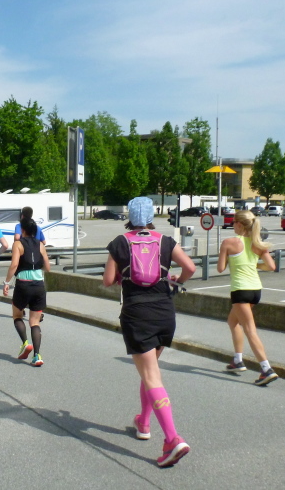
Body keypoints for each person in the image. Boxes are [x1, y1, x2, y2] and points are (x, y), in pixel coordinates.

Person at [102, 197, 195, 468]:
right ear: (152, 216)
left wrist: (121, 275)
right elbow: (190, 268)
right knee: (149, 371)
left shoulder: (120, 243)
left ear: (129, 217)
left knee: (151, 376)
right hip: (165, 312)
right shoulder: (165, 241)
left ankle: (173, 439)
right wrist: (177, 281)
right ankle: (143, 423)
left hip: (137, 314)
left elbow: (107, 281)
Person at [217, 210, 278, 386]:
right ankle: (237, 360)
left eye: (233, 222)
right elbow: (271, 266)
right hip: (255, 290)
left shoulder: (228, 242)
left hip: (240, 290)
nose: (232, 225)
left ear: (239, 224)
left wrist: (230, 258)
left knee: (250, 330)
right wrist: (254, 264)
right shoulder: (257, 243)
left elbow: (220, 268)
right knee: (232, 322)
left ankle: (266, 369)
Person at [3, 218, 50, 367]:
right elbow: (48, 267)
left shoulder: (18, 244)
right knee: (35, 322)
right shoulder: (40, 244)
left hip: (23, 285)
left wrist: (7, 282)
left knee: (17, 315)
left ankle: (25, 343)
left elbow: (14, 264)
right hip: (39, 285)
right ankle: (37, 355)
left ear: (22, 230)